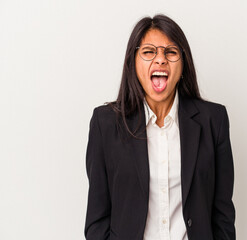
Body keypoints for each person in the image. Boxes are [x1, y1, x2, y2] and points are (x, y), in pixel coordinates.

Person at [84, 14, 235, 240]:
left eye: (171, 52)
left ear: (183, 64)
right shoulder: (105, 124)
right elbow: (97, 220)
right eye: (148, 52)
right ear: (133, 62)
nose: (160, 60)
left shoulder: (214, 120)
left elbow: (222, 216)